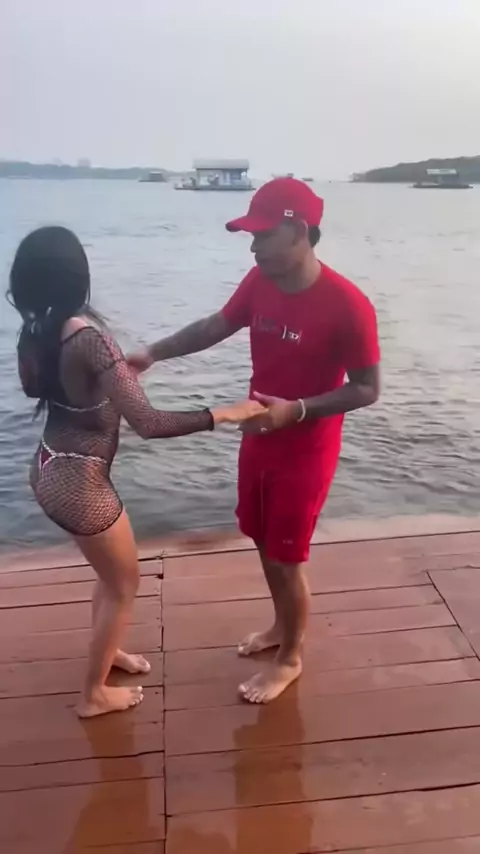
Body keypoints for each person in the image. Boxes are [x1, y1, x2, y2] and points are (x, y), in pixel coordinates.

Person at [128, 178, 381, 704]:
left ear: (299, 231)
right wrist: (152, 353)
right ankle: (280, 627)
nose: (253, 247)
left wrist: (298, 410)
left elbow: (367, 388)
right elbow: (215, 325)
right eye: (250, 235)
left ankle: (291, 658)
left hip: (306, 451)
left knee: (288, 559)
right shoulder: (259, 280)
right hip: (258, 437)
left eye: (263, 235)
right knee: (263, 543)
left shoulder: (348, 305)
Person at [8, 226, 263, 718]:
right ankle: (92, 695)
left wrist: (109, 379)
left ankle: (108, 652)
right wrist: (228, 413)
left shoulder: (34, 332)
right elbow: (149, 423)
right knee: (124, 584)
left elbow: (40, 389)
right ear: (77, 276)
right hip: (80, 485)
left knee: (110, 579)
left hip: (47, 468)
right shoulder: (89, 338)